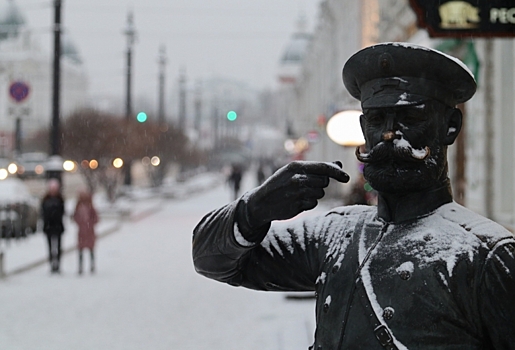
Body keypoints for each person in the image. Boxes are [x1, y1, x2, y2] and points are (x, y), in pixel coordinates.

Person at [192, 43, 515, 349]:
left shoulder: (486, 256)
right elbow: (213, 262)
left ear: (450, 126)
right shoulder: (332, 235)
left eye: (410, 117)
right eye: (377, 120)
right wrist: (254, 209)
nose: (389, 134)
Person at [41, 178, 65, 274]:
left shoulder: (60, 200)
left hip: (57, 226)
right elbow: (43, 213)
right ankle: (52, 263)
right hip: (49, 227)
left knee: (58, 247)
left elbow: (62, 212)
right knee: (50, 247)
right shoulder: (46, 200)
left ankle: (58, 264)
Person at [73, 190, 98, 275]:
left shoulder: (90, 207)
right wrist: (80, 223)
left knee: (91, 249)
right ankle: (80, 267)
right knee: (80, 250)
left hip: (89, 232)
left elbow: (96, 218)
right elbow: (75, 217)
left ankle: (92, 266)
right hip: (81, 232)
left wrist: (89, 224)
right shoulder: (78, 207)